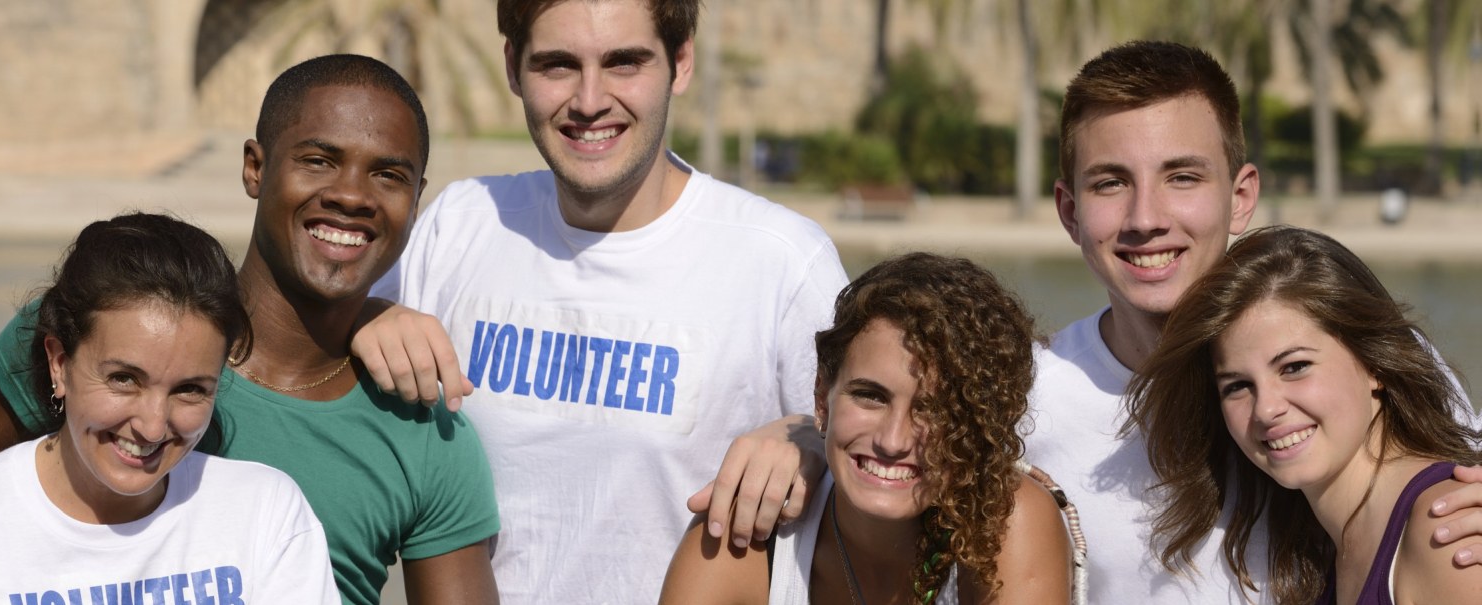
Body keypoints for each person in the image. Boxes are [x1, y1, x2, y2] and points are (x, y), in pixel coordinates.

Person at [0, 55, 500, 605]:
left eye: (388, 175)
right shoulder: (94, 336)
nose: (352, 195)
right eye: (318, 161)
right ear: (255, 168)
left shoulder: (427, 430)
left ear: (417, 200)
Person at [362, 0, 849, 600]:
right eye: (558, 65)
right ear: (513, 67)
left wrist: (811, 435)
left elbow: (923, 439)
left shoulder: (780, 260)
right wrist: (364, 318)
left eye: (624, 63)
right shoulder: (460, 224)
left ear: (681, 62)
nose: (590, 100)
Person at [1028, 41, 1482, 603]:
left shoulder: (1366, 354)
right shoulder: (1025, 398)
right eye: (1111, 183)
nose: (1145, 218)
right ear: (1070, 212)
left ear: (1241, 197)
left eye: (1182, 177)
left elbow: (1456, 480)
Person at [0, 213, 339, 605]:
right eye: (124, 379)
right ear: (60, 363)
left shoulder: (267, 514)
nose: (153, 425)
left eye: (190, 389)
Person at [658, 253, 1076, 605]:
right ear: (822, 397)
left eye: (934, 409)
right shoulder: (745, 536)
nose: (893, 440)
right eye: (871, 396)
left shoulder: (1009, 522)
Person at [1129, 226, 1482, 603]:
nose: (1265, 409)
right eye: (1236, 386)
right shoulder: (1334, 547)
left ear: (1373, 364)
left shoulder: (1446, 532)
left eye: (1295, 367)